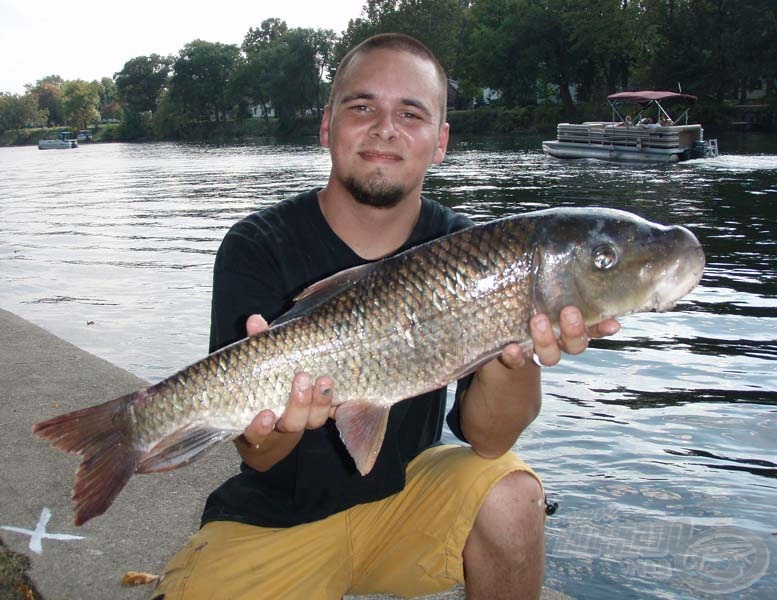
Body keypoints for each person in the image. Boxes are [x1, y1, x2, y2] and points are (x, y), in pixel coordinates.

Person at [153, 33, 619, 600]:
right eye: (362, 107)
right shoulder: (257, 244)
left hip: (406, 500)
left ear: (441, 140)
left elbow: (488, 439)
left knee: (514, 492)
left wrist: (517, 350)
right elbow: (258, 454)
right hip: (274, 519)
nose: (385, 128)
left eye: (411, 113)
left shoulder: (469, 250)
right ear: (327, 125)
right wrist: (274, 422)